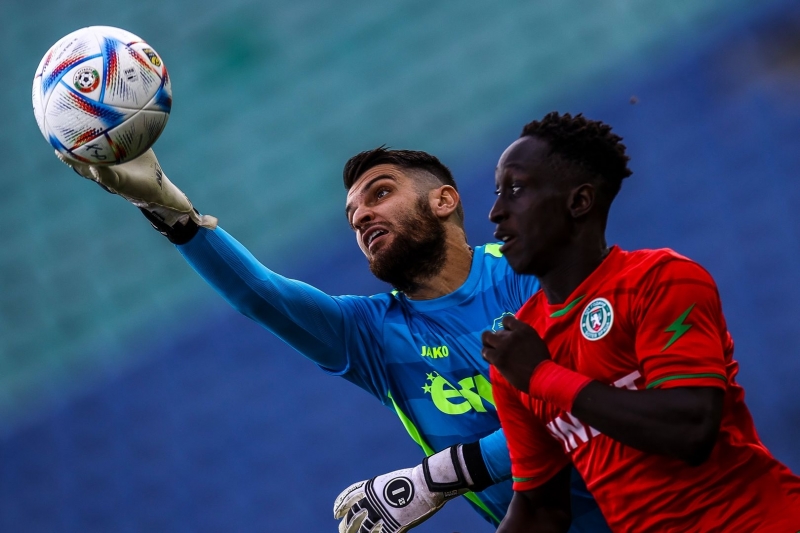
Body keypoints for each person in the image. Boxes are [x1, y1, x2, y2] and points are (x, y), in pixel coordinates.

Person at [55, 147, 610, 532]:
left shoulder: (533, 271)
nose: (362, 216)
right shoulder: (372, 336)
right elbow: (261, 296)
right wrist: (165, 207)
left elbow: (587, 407)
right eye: (352, 216)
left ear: (444, 201)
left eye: (381, 193)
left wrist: (434, 479)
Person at [481, 111, 800, 532]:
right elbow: (541, 510)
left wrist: (543, 376)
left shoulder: (660, 280)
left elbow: (690, 429)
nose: (495, 212)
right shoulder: (518, 350)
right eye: (498, 192)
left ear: (579, 202)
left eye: (516, 189)